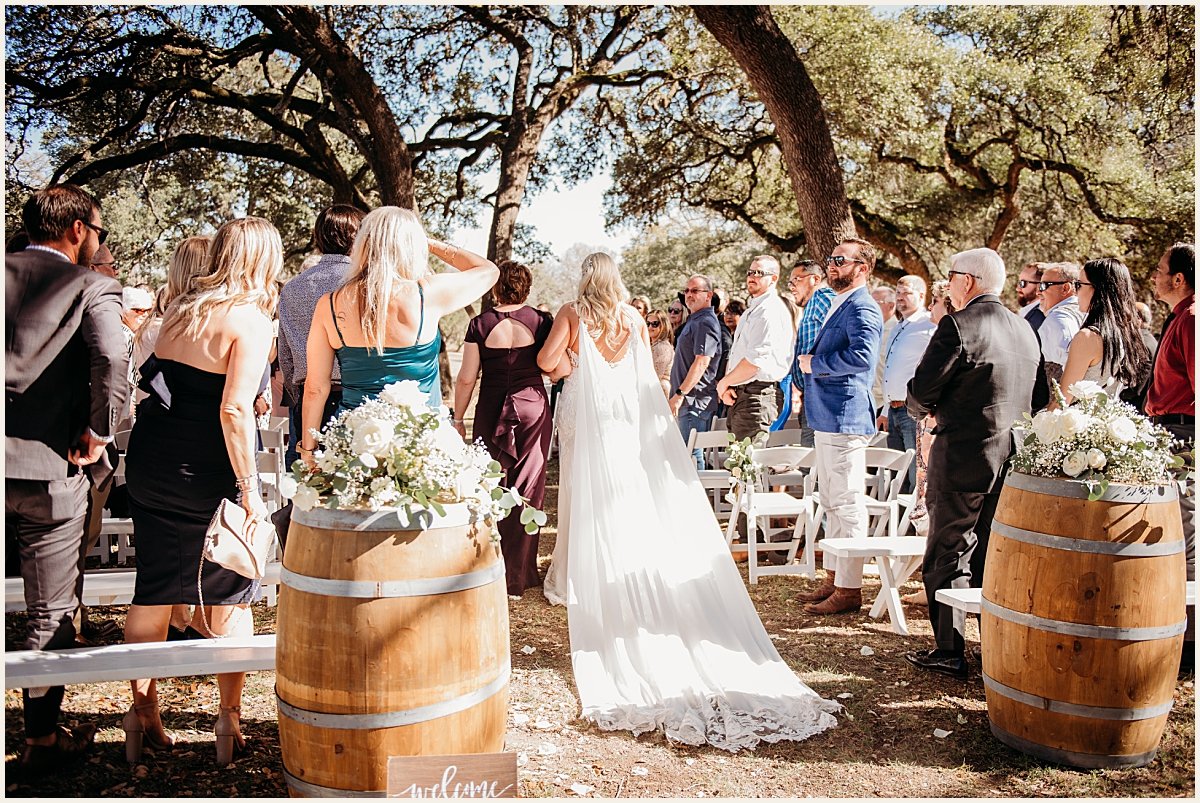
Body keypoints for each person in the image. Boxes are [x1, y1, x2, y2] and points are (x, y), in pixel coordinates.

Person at [536, 252, 839, 749]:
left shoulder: (573, 312)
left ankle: (578, 574)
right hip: (626, 416)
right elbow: (644, 377)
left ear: (584, 278)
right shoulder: (633, 317)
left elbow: (549, 362)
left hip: (587, 412)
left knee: (584, 489)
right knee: (626, 494)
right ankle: (620, 563)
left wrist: (573, 362)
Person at [121, 217, 280, 766]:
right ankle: (228, 720)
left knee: (154, 588)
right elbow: (235, 409)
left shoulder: (181, 311)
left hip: (149, 462)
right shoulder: (252, 320)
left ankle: (141, 712)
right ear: (264, 259)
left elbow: (159, 387)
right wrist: (250, 489)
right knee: (231, 587)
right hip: (205, 470)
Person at [6, 184, 128, 776]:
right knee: (49, 610)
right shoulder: (91, 287)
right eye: (100, 231)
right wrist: (101, 431)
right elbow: (111, 356)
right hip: (54, 468)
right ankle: (40, 740)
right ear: (78, 230)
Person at [904, 247, 1048, 679]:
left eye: (950, 276)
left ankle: (950, 650)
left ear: (968, 281)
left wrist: (920, 408)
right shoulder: (1025, 330)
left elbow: (924, 387)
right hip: (1011, 458)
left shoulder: (958, 324)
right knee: (991, 554)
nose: (947, 285)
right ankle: (996, 646)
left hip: (964, 454)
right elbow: (1039, 399)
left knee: (947, 552)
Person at [300, 207, 499, 454]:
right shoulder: (427, 294)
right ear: (411, 246)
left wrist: (308, 450)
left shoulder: (329, 304)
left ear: (363, 243)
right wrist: (429, 243)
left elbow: (316, 388)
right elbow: (489, 271)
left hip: (357, 442)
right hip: (422, 442)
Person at [452, 260, 553, 598]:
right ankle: (519, 576)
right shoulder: (541, 322)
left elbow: (467, 377)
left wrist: (457, 417)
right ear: (527, 287)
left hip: (491, 407)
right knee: (528, 486)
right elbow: (553, 366)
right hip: (533, 407)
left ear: (495, 288)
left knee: (488, 483)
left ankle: (486, 568)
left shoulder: (479, 325)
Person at [795, 238, 884, 616]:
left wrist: (816, 363)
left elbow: (862, 358)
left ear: (862, 268)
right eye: (830, 260)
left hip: (845, 414)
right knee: (831, 500)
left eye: (839, 260)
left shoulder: (863, 306)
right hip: (828, 415)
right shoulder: (840, 302)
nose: (831, 265)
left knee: (847, 502)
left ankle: (850, 589)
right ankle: (834, 576)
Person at [277, 205, 365, 467]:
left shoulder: (292, 288)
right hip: (357, 398)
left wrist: (296, 398)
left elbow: (286, 354)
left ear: (318, 238)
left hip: (307, 401)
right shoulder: (363, 285)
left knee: (306, 488)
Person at [1144, 243, 1194, 669]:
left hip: (1184, 435)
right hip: (1168, 430)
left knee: (1188, 533)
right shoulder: (1179, 317)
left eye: (1160, 270)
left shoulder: (1193, 320)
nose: (1154, 276)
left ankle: (1190, 647)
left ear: (1179, 279)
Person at [1051, 258, 1152, 408]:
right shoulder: (1127, 335)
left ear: (1098, 289)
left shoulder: (1088, 337)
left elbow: (1062, 400)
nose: (1075, 292)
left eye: (1078, 285)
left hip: (1077, 425)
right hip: (1105, 422)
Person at [716, 256, 793, 442]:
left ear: (774, 278)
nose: (752, 277)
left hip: (757, 395)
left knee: (748, 466)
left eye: (759, 273)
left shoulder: (770, 311)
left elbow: (754, 362)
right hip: (741, 394)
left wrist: (723, 384)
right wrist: (729, 387)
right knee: (738, 465)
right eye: (750, 272)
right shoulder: (754, 310)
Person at [878, 276, 936, 493]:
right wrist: (885, 410)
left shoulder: (930, 325)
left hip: (912, 411)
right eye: (898, 293)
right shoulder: (897, 327)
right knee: (896, 475)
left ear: (921, 296)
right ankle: (896, 524)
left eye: (907, 293)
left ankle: (914, 524)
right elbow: (891, 371)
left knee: (915, 473)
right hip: (892, 411)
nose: (900, 297)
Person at [668, 275, 723, 470]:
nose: (689, 295)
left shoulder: (705, 322)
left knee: (690, 456)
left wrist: (679, 394)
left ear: (708, 295)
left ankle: (697, 499)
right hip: (688, 400)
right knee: (689, 455)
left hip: (693, 400)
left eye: (695, 291)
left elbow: (702, 362)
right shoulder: (695, 320)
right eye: (687, 291)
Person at [787, 260, 835, 447]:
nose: (791, 287)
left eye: (796, 281)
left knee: (812, 463)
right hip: (811, 393)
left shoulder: (823, 297)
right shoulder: (810, 306)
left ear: (815, 279)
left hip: (822, 393)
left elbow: (836, 338)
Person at [1037, 262, 1085, 387]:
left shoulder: (1059, 319)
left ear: (1065, 288)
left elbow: (1071, 367)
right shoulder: (1084, 312)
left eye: (1044, 285)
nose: (1038, 292)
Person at [870, 284, 898, 415]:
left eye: (875, 302)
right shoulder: (869, 330)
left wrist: (885, 412)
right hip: (868, 403)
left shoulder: (897, 332)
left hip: (886, 407)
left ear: (891, 305)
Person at [647, 308, 675, 397]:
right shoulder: (653, 345)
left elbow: (655, 375)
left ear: (663, 326)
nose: (650, 327)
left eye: (655, 324)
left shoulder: (662, 348)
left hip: (660, 392)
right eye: (647, 324)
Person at [1016, 262, 1046, 332]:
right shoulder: (1028, 312)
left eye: (1023, 283)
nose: (1017, 288)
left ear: (1040, 285)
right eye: (1019, 282)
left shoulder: (1041, 317)